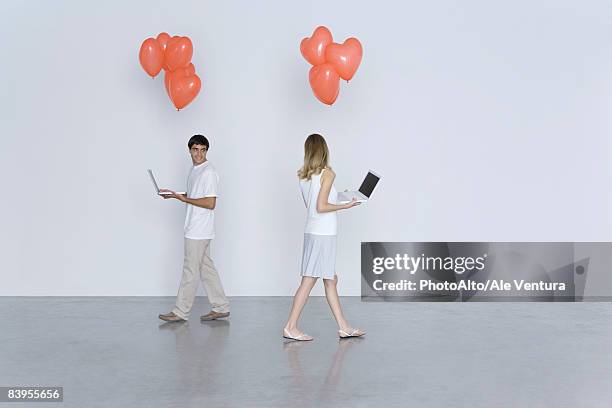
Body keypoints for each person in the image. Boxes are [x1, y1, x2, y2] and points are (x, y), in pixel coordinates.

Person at [283, 133, 365, 341]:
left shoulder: (303, 175)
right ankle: (291, 327)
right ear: (324, 150)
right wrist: (345, 205)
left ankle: (344, 326)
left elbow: (312, 205)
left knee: (330, 280)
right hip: (324, 234)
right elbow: (321, 207)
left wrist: (339, 196)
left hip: (313, 231)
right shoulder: (328, 173)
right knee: (309, 281)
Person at [159, 134, 230, 322]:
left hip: (199, 230)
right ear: (189, 150)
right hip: (196, 228)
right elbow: (196, 195)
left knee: (190, 270)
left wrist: (185, 199)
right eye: (195, 149)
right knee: (206, 269)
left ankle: (180, 312)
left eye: (203, 150)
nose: (199, 153)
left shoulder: (209, 172)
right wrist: (175, 195)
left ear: (207, 151)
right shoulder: (194, 169)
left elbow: (210, 202)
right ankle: (221, 306)